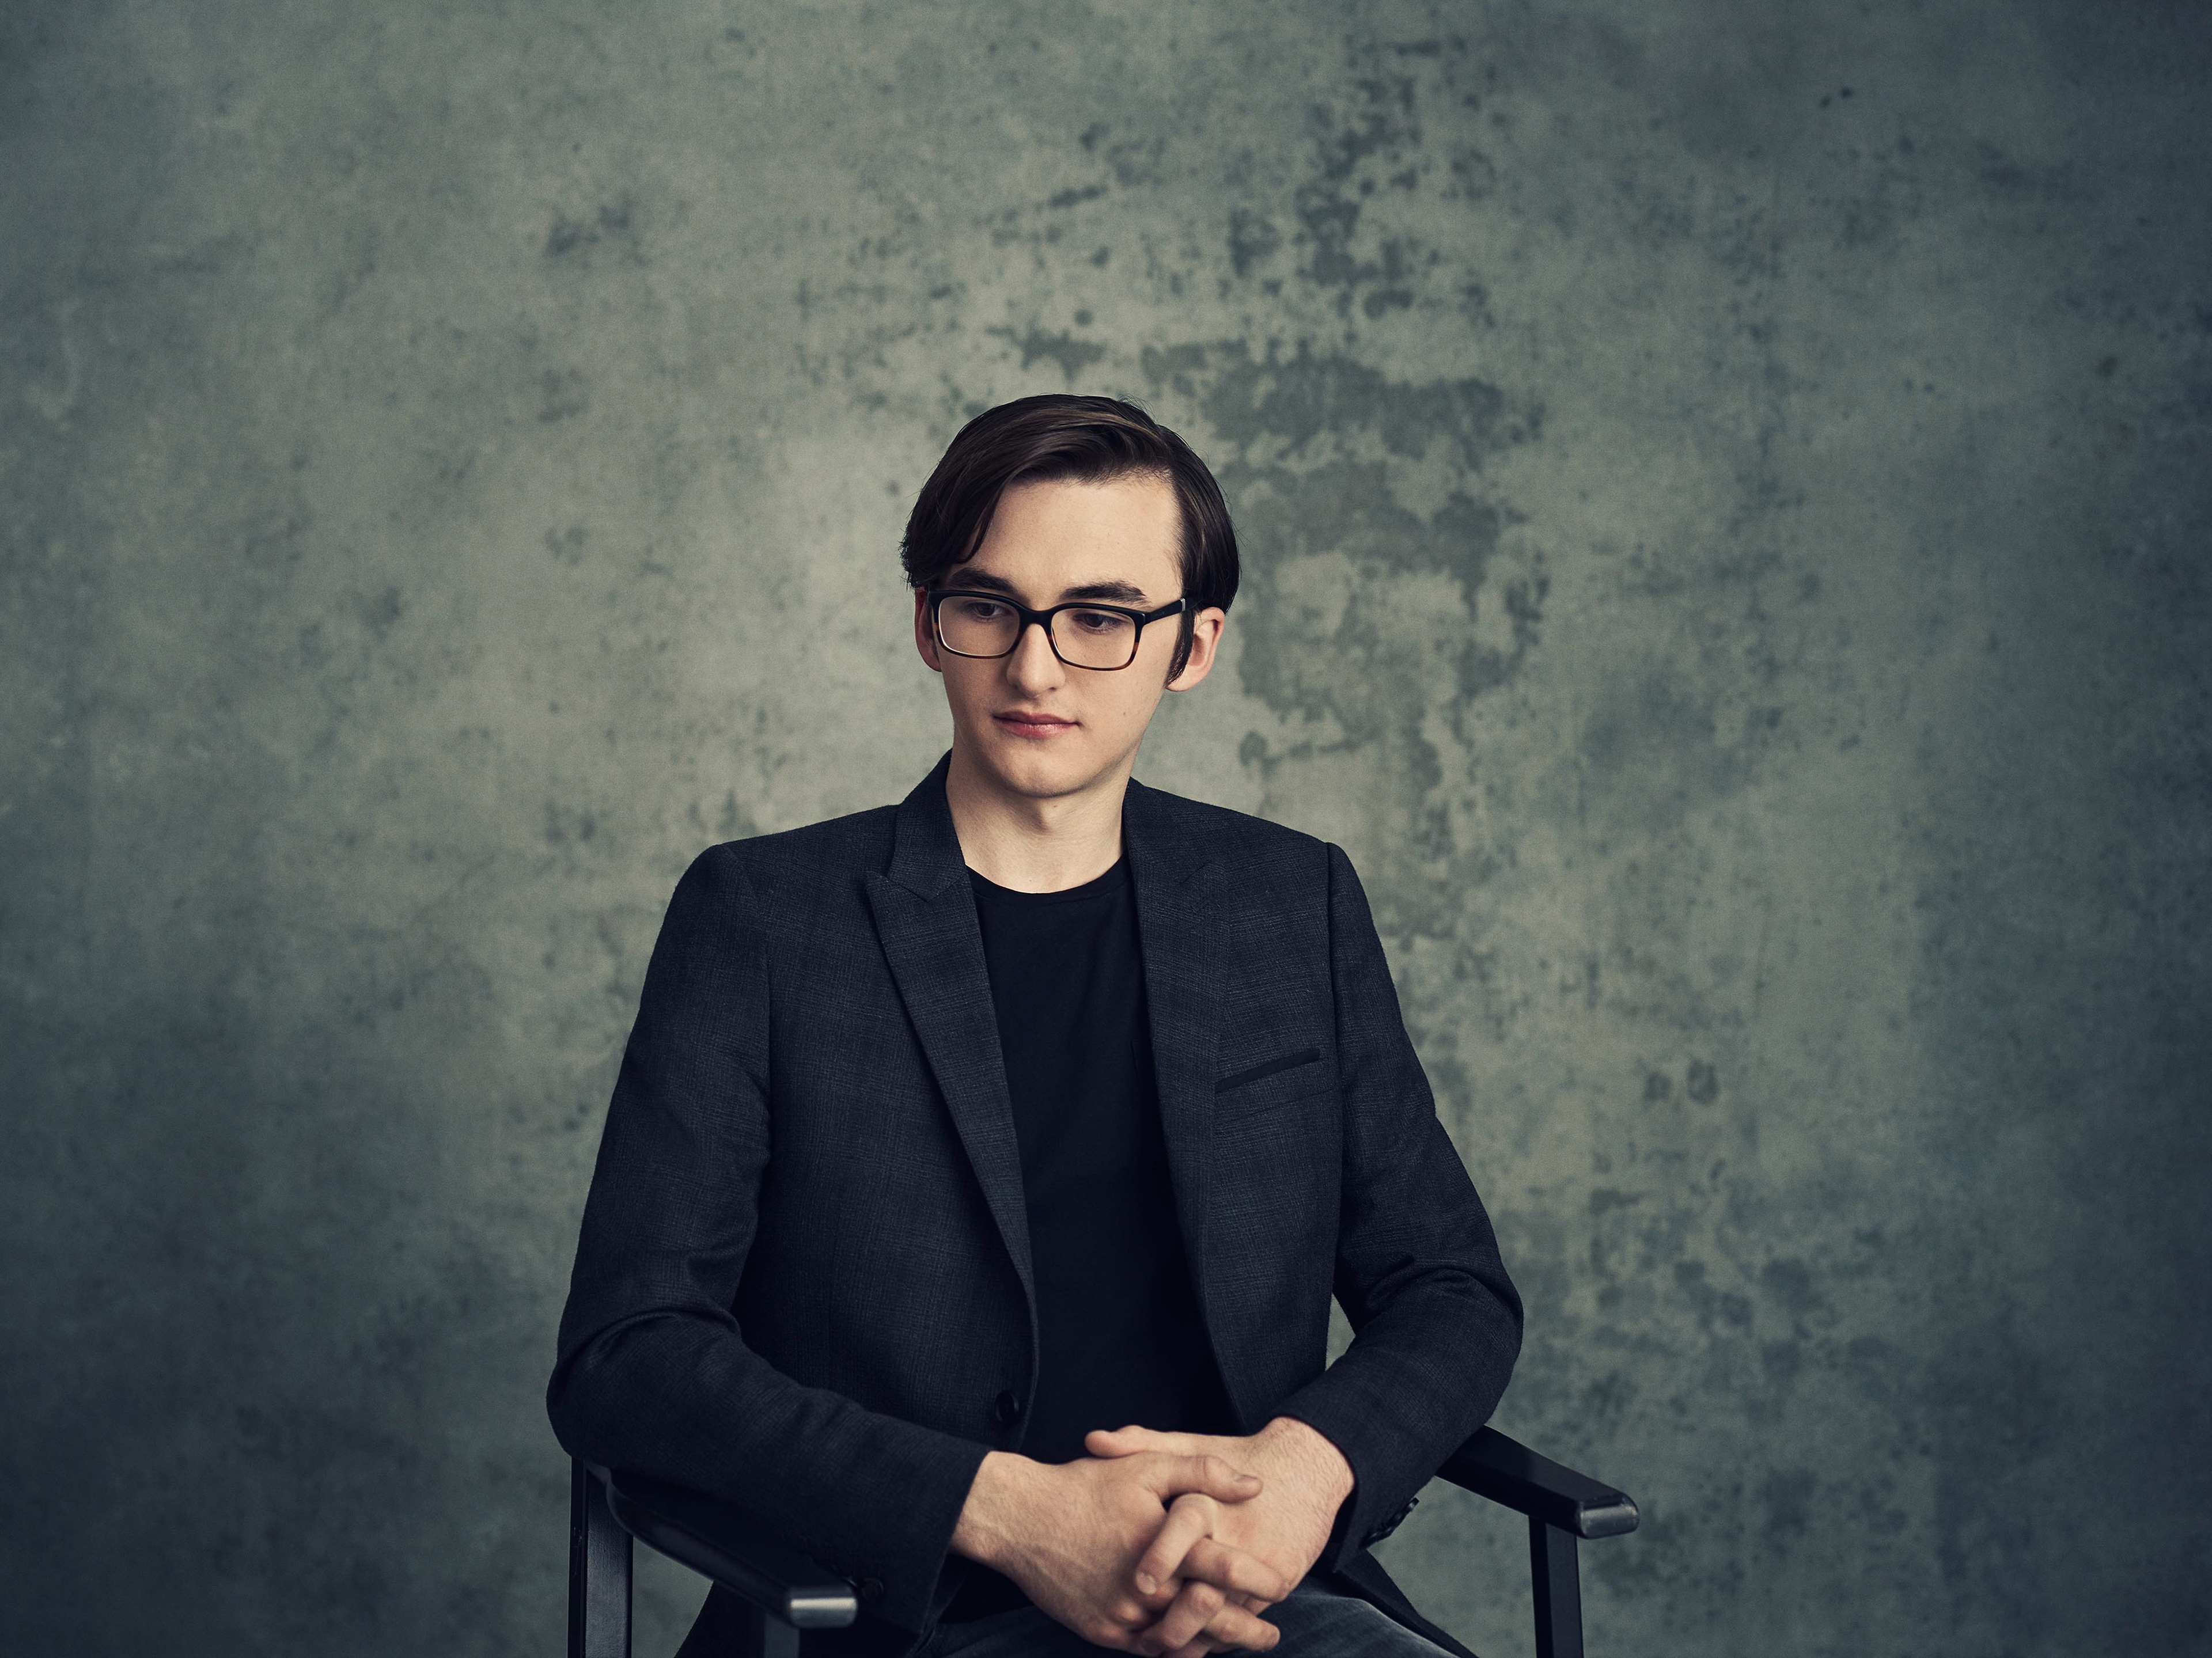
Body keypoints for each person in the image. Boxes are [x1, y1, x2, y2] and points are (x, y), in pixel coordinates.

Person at [547, 394, 1523, 1658]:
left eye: (1102, 618)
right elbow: (628, 1355)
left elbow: (1450, 1289)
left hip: (1254, 1609)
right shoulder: (764, 919)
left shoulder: (1294, 904)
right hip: (893, 1618)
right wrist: (1003, 1511)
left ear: (1194, 646)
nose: (1037, 667)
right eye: (989, 606)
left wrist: (1307, 1468)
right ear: (928, 624)